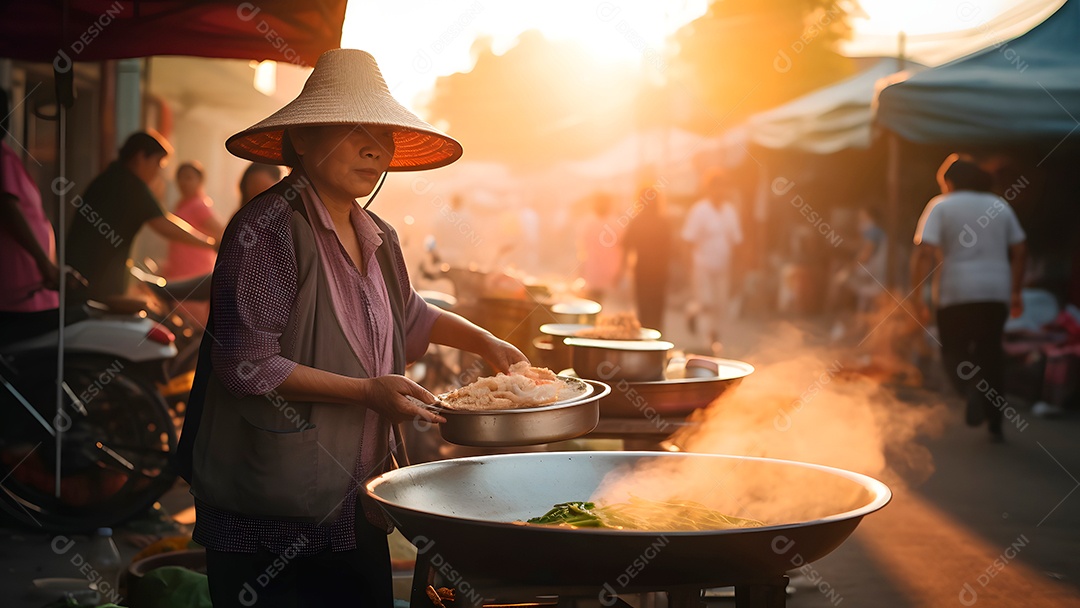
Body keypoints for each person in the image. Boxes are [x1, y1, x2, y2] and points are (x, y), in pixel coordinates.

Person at [177, 49, 527, 607]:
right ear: (303, 141)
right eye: (353, 131)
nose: (375, 148)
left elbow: (409, 313)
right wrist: (368, 392)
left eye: (384, 135)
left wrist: (482, 340)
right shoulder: (267, 230)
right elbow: (246, 364)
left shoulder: (378, 235)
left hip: (355, 496)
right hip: (270, 508)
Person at [911, 154, 1027, 442]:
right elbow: (1021, 249)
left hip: (956, 291)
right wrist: (1014, 291)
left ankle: (972, 389)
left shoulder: (940, 206)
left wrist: (916, 297)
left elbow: (923, 253)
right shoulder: (1000, 205)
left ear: (950, 182)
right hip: (995, 290)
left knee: (953, 350)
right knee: (990, 352)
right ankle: (995, 422)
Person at [66, 131, 216, 300]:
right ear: (140, 157)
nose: (157, 172)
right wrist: (210, 244)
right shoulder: (131, 185)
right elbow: (164, 225)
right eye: (157, 163)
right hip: (95, 283)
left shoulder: (109, 178)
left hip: (78, 276)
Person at [0, 88, 62, 342]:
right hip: (18, 295)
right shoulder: (2, 157)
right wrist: (44, 264)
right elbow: (9, 208)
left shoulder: (7, 156)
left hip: (30, 291)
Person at [681, 170, 743, 352]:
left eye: (724, 187)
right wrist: (688, 268)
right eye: (717, 187)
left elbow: (737, 241)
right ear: (709, 189)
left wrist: (740, 268)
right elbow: (687, 241)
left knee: (720, 306)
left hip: (723, 268)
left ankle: (699, 321)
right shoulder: (699, 210)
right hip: (702, 267)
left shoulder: (730, 211)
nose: (721, 191)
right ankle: (706, 345)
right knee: (707, 304)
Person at [622, 185, 672, 332]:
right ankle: (656, 339)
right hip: (660, 273)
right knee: (657, 310)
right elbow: (671, 249)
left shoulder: (637, 221)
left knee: (644, 310)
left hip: (642, 272)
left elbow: (626, 245)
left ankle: (645, 341)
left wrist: (623, 270)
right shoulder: (664, 222)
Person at [577, 192, 622, 304]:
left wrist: (581, 268)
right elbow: (622, 249)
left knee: (591, 302)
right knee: (600, 302)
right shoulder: (616, 223)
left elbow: (582, 247)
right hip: (609, 270)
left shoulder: (588, 223)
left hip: (593, 269)